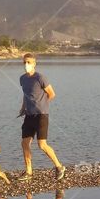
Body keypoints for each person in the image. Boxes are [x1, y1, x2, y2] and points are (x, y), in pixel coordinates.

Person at [17, 53, 66, 181]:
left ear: (34, 64)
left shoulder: (40, 77)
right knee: (25, 143)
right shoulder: (22, 79)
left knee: (42, 145)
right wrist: (23, 108)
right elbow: (26, 95)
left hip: (41, 115)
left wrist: (42, 106)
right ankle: (28, 172)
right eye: (24, 62)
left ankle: (59, 166)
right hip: (29, 115)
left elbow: (52, 94)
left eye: (28, 62)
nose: (26, 65)